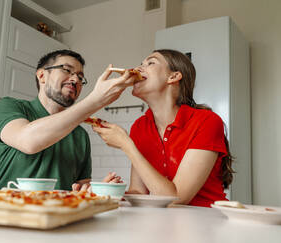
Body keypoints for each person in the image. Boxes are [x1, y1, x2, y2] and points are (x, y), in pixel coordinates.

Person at [93, 49, 234, 207]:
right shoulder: (140, 126)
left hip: (209, 221)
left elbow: (177, 199)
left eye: (150, 63)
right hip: (166, 221)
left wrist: (126, 145)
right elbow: (139, 192)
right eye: (141, 64)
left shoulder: (207, 122)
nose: (138, 68)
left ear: (173, 76)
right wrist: (109, 193)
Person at [0, 49, 134, 190]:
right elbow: (28, 141)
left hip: (58, 212)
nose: (75, 79)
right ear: (42, 76)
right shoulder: (9, 106)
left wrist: (97, 190)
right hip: (5, 211)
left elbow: (81, 187)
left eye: (80, 76)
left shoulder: (80, 135)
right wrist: (95, 100)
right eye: (66, 70)